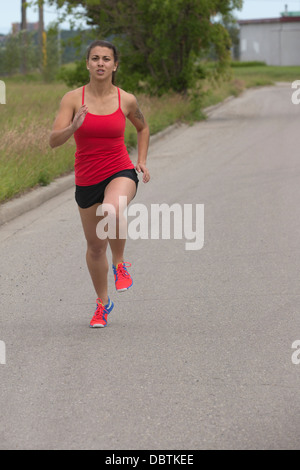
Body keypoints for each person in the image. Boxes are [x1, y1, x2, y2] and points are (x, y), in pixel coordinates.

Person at [49, 39, 150, 328]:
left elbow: (142, 127)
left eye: (106, 59)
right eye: (95, 58)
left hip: (120, 170)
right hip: (87, 178)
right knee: (95, 248)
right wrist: (73, 127)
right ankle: (102, 304)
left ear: (115, 65)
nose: (101, 63)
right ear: (87, 64)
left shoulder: (126, 99)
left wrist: (141, 160)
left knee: (112, 208)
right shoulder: (72, 99)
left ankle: (120, 263)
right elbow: (53, 141)